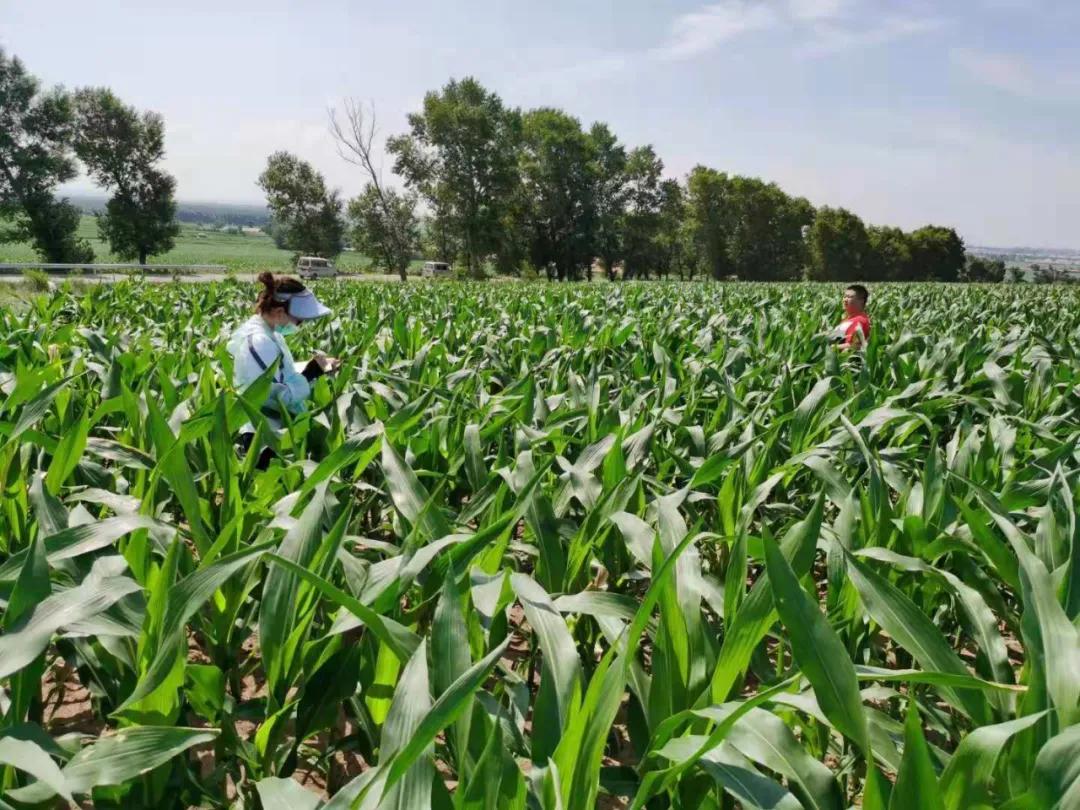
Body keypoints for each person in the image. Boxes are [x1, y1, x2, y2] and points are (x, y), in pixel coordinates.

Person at [227, 272, 339, 467]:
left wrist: (315, 367)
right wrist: (312, 372)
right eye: (298, 320)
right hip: (262, 436)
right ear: (279, 312)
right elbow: (276, 394)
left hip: (274, 429)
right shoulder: (258, 341)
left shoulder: (271, 335)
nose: (299, 325)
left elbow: (278, 373)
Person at [831, 284, 871, 349]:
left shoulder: (859, 320)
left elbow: (854, 345)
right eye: (844, 296)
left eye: (849, 297)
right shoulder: (849, 318)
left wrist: (830, 347)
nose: (845, 300)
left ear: (861, 300)